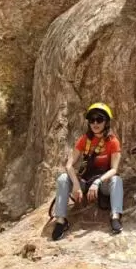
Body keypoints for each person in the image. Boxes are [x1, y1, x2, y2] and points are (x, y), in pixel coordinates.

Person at [51, 102, 124, 240]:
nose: (95, 123)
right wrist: (76, 185)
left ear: (106, 122)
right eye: (92, 120)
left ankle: (115, 216)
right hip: (85, 181)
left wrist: (98, 182)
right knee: (62, 179)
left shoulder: (113, 141)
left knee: (117, 180)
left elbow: (114, 169)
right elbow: (69, 165)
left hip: (102, 183)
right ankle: (61, 220)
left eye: (99, 119)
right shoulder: (84, 140)